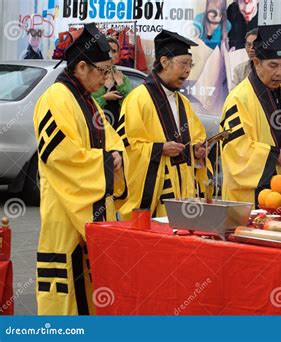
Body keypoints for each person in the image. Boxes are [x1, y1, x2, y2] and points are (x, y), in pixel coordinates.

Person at [33, 23, 125, 315]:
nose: (108, 79)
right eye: (104, 70)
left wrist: (116, 154)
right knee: (67, 295)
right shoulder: (56, 98)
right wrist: (106, 164)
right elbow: (61, 157)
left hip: (87, 205)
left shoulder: (87, 100)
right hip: (64, 208)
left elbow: (111, 137)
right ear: (82, 67)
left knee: (89, 287)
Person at [118, 30, 212, 218]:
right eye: (183, 64)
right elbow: (127, 146)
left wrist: (197, 151)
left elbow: (197, 138)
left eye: (190, 65)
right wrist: (160, 148)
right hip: (157, 192)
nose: (187, 70)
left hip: (184, 193)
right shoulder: (138, 99)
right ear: (164, 62)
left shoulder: (183, 103)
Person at [220, 25, 281, 206]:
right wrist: (276, 156)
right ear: (256, 62)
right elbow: (236, 150)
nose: (280, 72)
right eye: (273, 65)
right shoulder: (238, 99)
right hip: (250, 202)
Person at [92, 36, 133, 130]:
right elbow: (84, 105)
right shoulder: (92, 77)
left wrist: (120, 84)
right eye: (107, 50)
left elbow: (130, 107)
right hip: (96, 129)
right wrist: (104, 98)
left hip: (117, 132)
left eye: (114, 51)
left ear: (118, 55)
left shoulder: (123, 78)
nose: (110, 54)